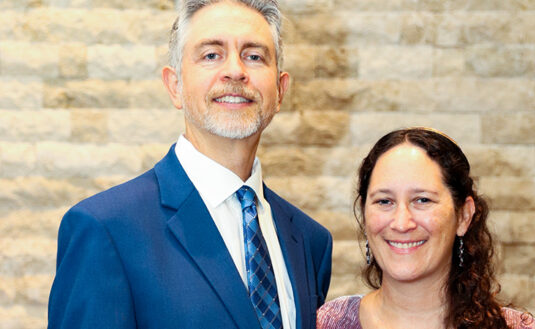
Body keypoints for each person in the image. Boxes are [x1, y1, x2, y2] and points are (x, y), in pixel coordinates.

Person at [48, 1, 332, 328]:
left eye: (254, 56)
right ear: (175, 86)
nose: (235, 71)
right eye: (211, 55)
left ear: (280, 90)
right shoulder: (105, 229)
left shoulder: (310, 242)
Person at [317, 127, 535, 329]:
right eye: (384, 201)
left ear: (464, 216)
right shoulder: (327, 323)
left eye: (422, 200)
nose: (401, 223)